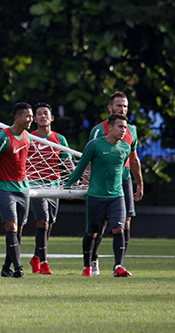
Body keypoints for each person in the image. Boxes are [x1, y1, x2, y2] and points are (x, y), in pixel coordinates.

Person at [65, 113, 133, 277]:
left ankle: (118, 266)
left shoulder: (125, 148)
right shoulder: (94, 145)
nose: (123, 130)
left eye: (125, 127)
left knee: (118, 228)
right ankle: (87, 266)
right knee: (92, 232)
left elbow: (120, 170)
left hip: (117, 196)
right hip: (96, 196)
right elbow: (80, 167)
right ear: (110, 128)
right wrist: (68, 186)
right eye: (120, 126)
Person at [88, 92, 144, 275]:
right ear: (110, 107)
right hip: (103, 181)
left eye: (125, 106)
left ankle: (118, 265)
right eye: (119, 105)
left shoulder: (132, 130)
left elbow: (134, 159)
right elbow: (89, 158)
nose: (123, 109)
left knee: (125, 221)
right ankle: (93, 258)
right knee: (101, 224)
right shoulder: (99, 129)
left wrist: (140, 183)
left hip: (124, 179)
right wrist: (87, 182)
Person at [0, 103, 34, 278]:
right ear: (17, 117)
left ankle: (6, 267)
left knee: (19, 230)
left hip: (23, 189)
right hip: (5, 188)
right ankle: (19, 268)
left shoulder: (27, 137)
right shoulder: (3, 138)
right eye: (27, 116)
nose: (31, 120)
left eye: (31, 116)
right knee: (11, 227)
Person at [26, 103, 73, 275]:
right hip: (36, 185)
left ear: (52, 118)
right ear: (34, 119)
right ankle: (44, 263)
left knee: (49, 224)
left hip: (54, 185)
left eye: (46, 113)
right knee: (42, 221)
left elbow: (68, 163)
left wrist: (73, 184)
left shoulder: (59, 139)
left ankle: (35, 257)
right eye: (39, 114)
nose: (42, 116)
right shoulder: (30, 137)